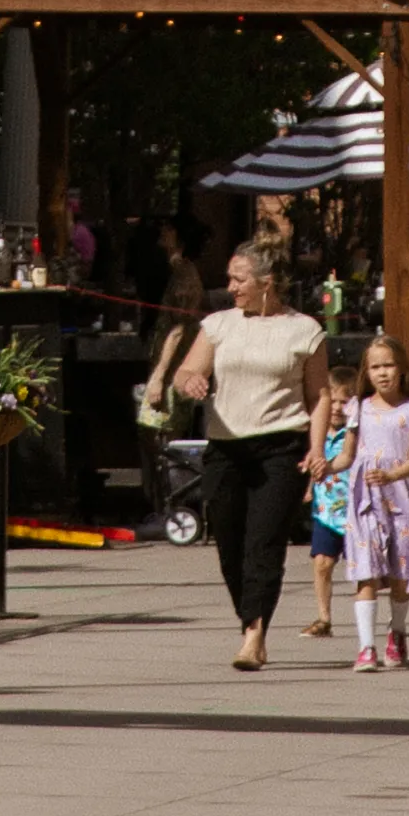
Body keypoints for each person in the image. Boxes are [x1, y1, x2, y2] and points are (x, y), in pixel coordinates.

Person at [155, 245, 327, 671]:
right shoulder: (218, 325)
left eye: (239, 280)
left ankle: (255, 634)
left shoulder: (304, 330)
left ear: (266, 284)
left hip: (281, 447)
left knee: (263, 544)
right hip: (226, 448)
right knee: (230, 546)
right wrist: (189, 380)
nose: (230, 287)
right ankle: (249, 619)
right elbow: (186, 372)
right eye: (230, 279)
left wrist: (318, 448)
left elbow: (318, 394)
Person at [334, 330, 409, 669]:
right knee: (365, 574)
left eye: (388, 365)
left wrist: (391, 475)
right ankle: (366, 647)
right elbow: (347, 455)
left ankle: (396, 631)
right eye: (374, 367)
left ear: (401, 369)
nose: (382, 373)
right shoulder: (359, 409)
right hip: (365, 504)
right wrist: (324, 467)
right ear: (365, 373)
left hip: (400, 503)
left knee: (400, 575)